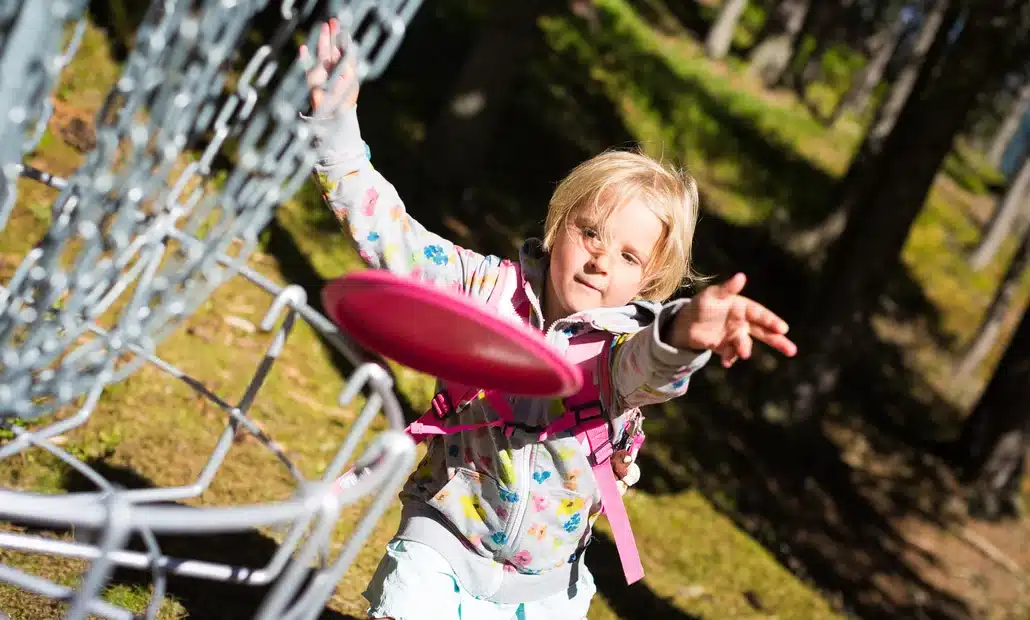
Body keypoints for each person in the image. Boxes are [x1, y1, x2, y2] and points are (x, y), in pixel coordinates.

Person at [301, 19, 797, 620]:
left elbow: (650, 366)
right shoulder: (485, 287)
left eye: (628, 256)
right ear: (558, 225)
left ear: (650, 281)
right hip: (444, 541)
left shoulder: (620, 349)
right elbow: (392, 238)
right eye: (590, 233)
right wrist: (335, 131)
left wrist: (682, 334)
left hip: (548, 586)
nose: (599, 261)